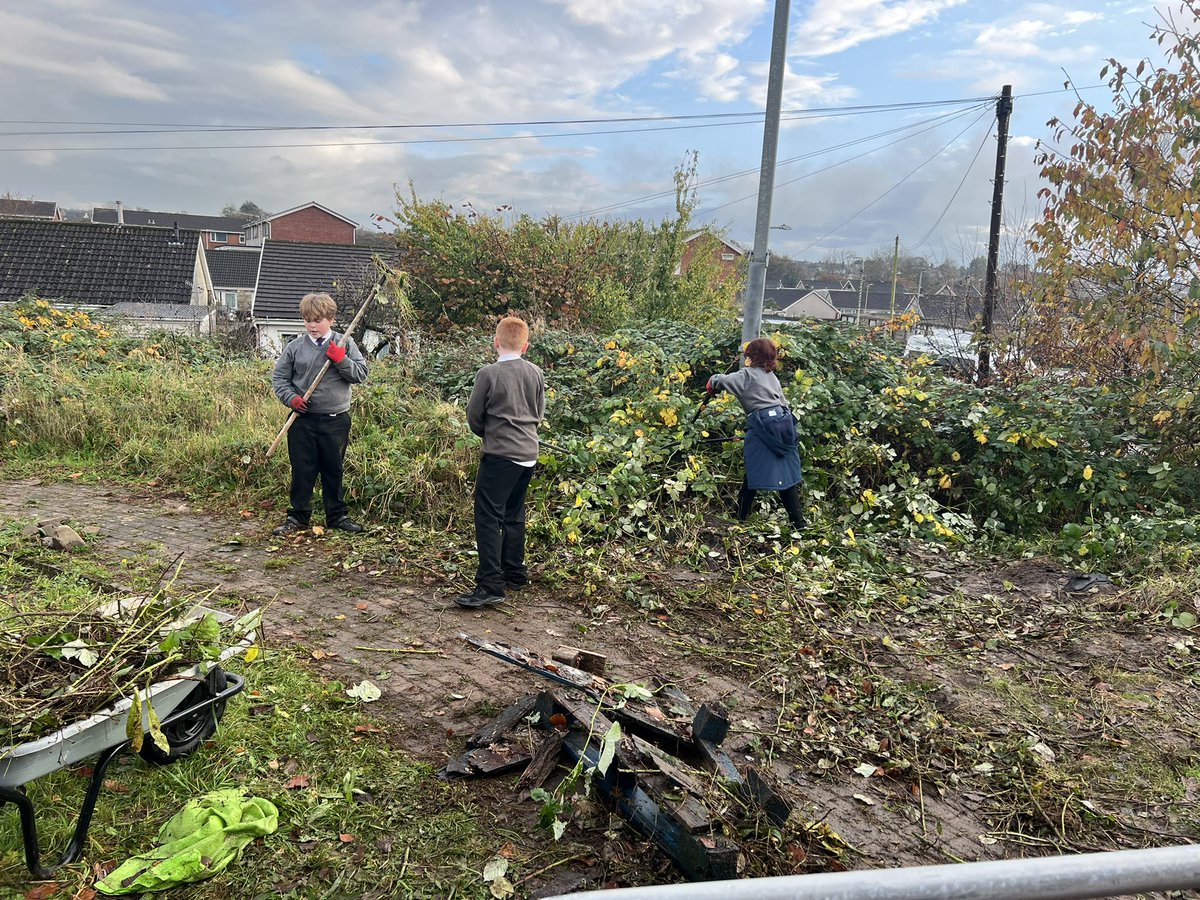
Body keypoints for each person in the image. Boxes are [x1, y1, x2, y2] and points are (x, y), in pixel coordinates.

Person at [457, 316, 546, 609]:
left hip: (500, 456)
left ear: (495, 342)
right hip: (528, 455)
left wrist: (489, 433)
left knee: (488, 517)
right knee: (513, 513)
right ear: (526, 345)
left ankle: (490, 584)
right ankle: (515, 572)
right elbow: (539, 412)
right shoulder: (536, 373)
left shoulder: (488, 374)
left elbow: (473, 415)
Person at [270, 292, 368, 535]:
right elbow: (280, 379)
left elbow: (360, 374)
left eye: (318, 320)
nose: (312, 326)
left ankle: (337, 516)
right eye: (308, 320)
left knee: (333, 469)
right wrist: (291, 398)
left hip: (335, 420)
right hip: (301, 420)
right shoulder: (294, 348)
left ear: (331, 319)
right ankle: (298, 517)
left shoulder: (345, 344)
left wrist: (341, 360)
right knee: (303, 469)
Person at [707, 337, 806, 531]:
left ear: (752, 356)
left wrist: (712, 381)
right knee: (784, 476)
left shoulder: (747, 375)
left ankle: (740, 519)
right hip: (783, 427)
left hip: (762, 427)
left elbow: (722, 381)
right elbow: (784, 404)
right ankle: (799, 524)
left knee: (753, 473)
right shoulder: (772, 376)